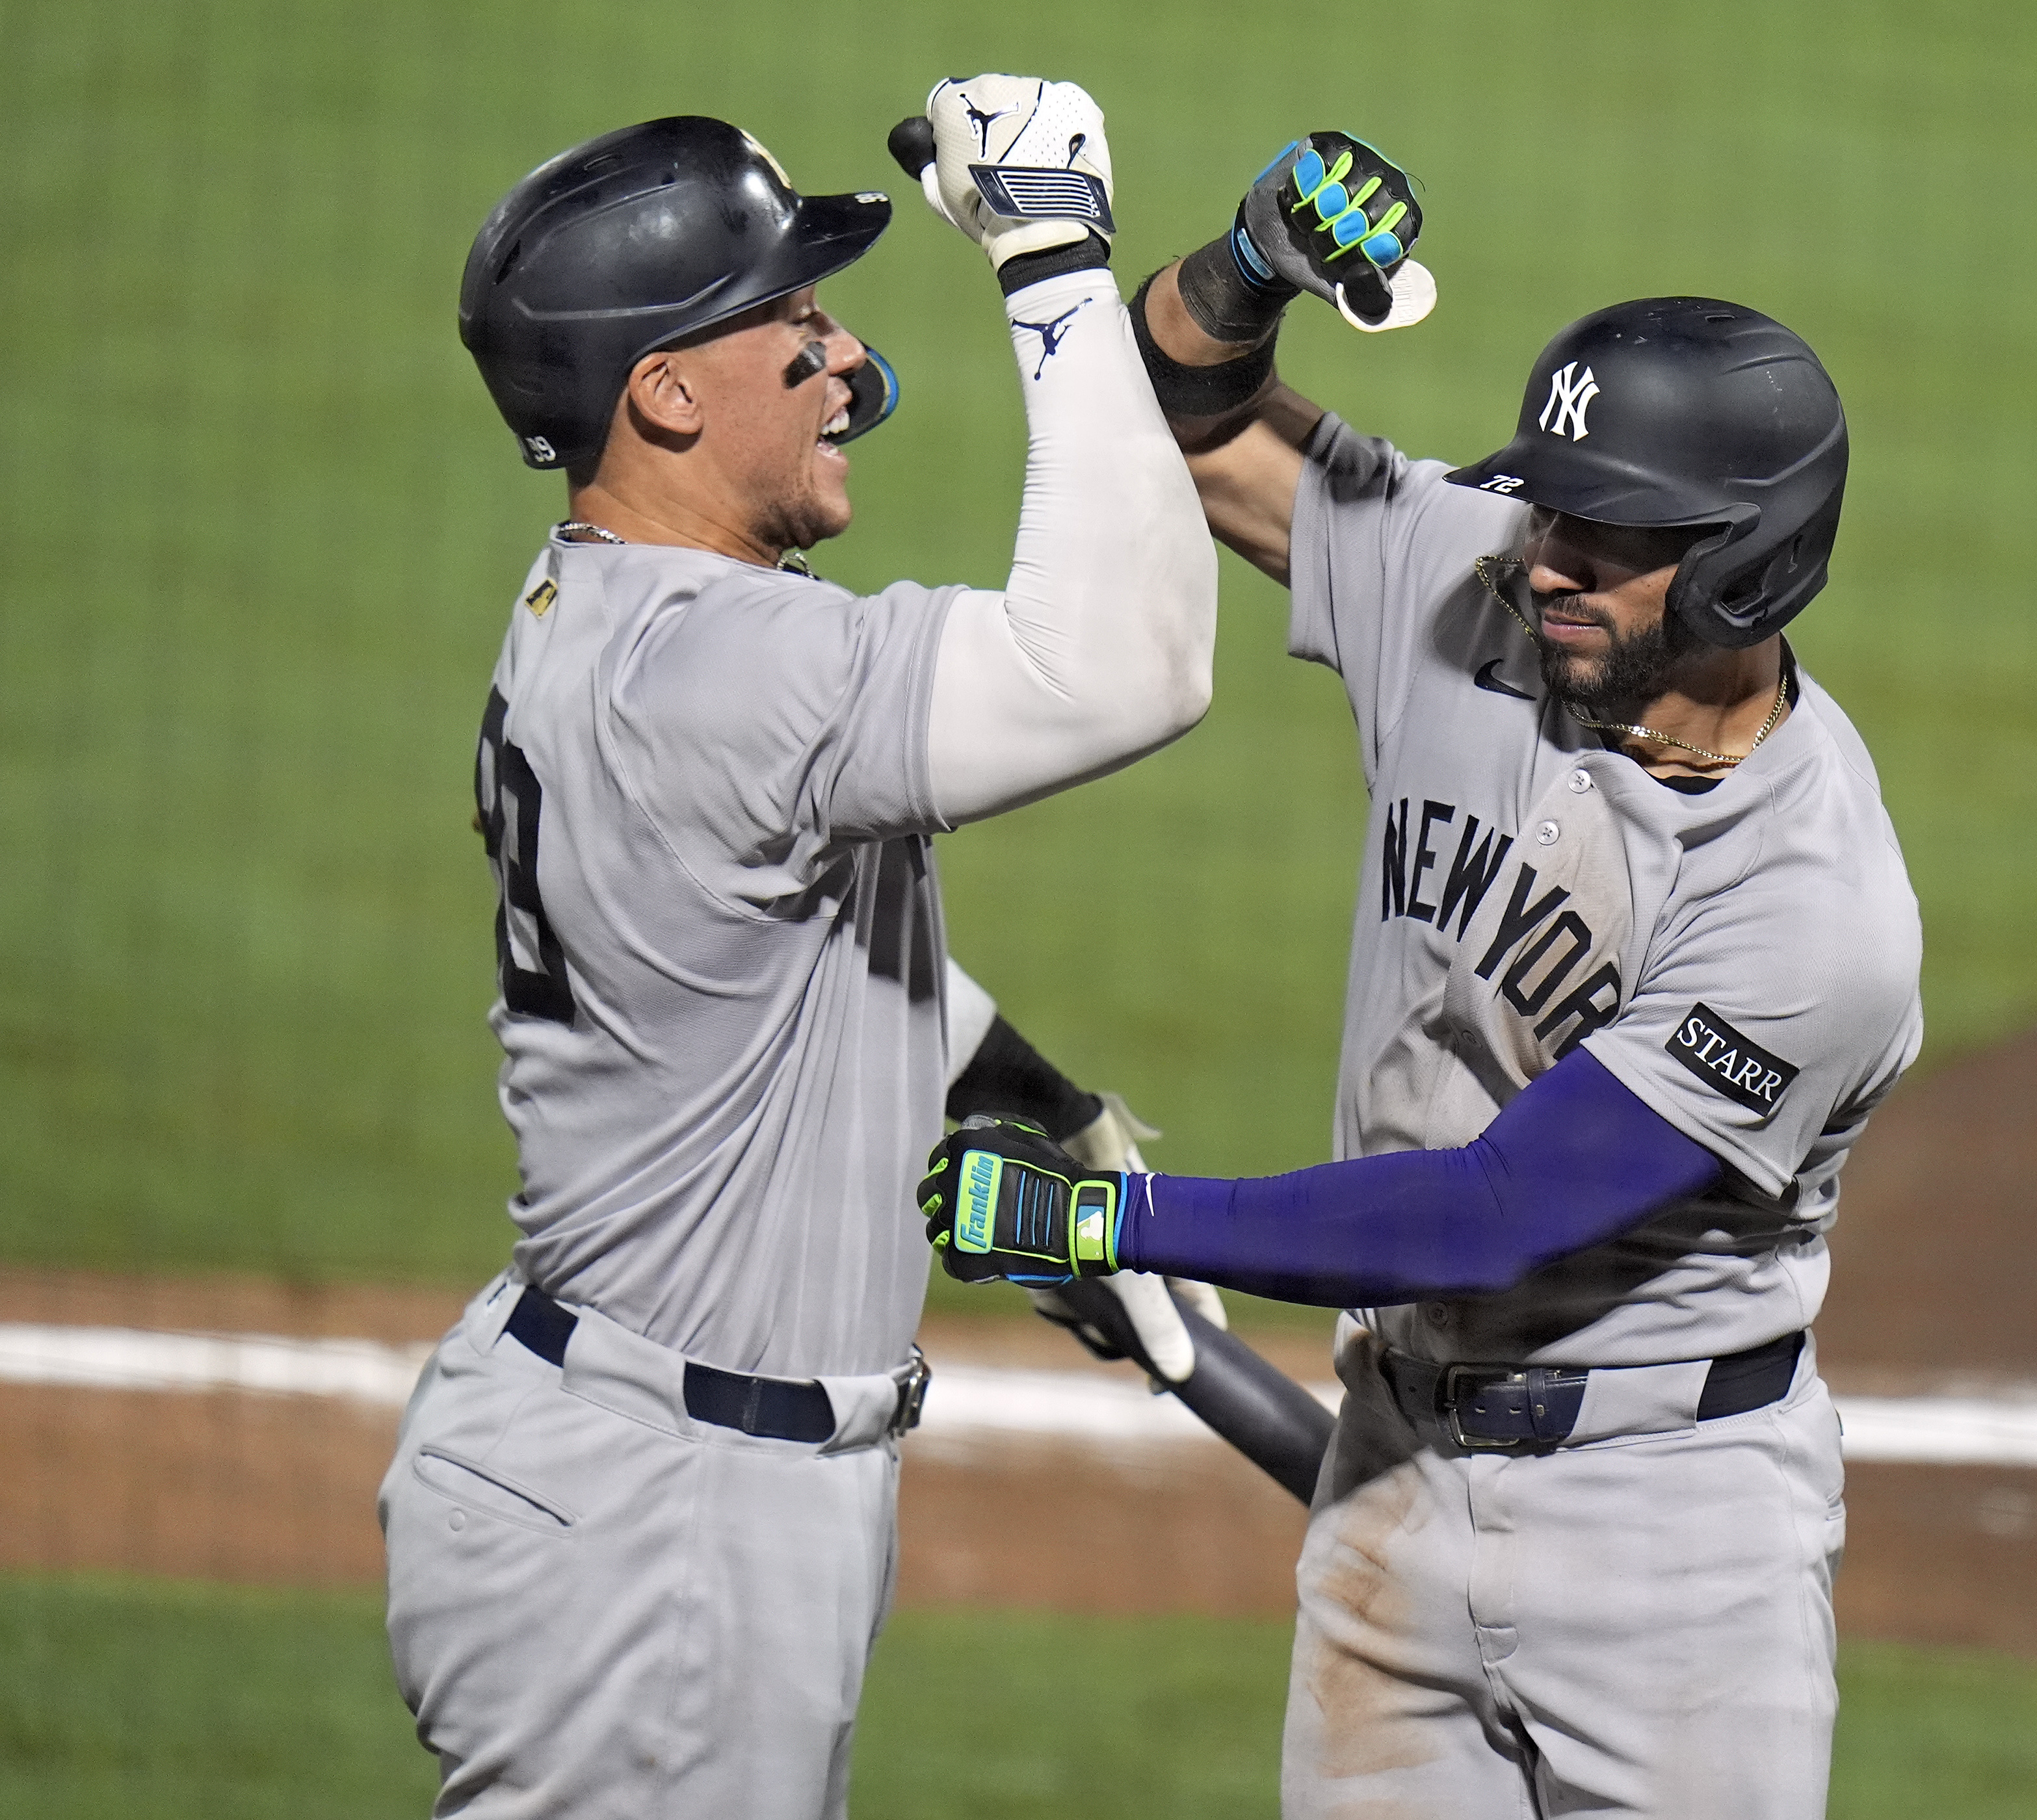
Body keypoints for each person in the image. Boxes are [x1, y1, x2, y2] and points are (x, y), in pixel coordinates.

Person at [928, 134, 1925, 1817]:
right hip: (1394, 1471)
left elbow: (1485, 1214)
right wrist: (1247, 267)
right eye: (1550, 504)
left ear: (1752, 563)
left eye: (1610, 536)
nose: (1548, 555)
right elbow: (1172, 432)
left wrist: (1102, 1227)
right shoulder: (1478, 590)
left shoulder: (1810, 907)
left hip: (1671, 1546)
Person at [380, 79, 1220, 1819]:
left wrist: (1031, 1102)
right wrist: (1053, 258)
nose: (846, 362)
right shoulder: (722, 677)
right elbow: (1131, 667)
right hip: (659, 1523)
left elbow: (775, 970)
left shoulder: (599, 612)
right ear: (666, 395)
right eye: (799, 323)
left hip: (650, 1481)